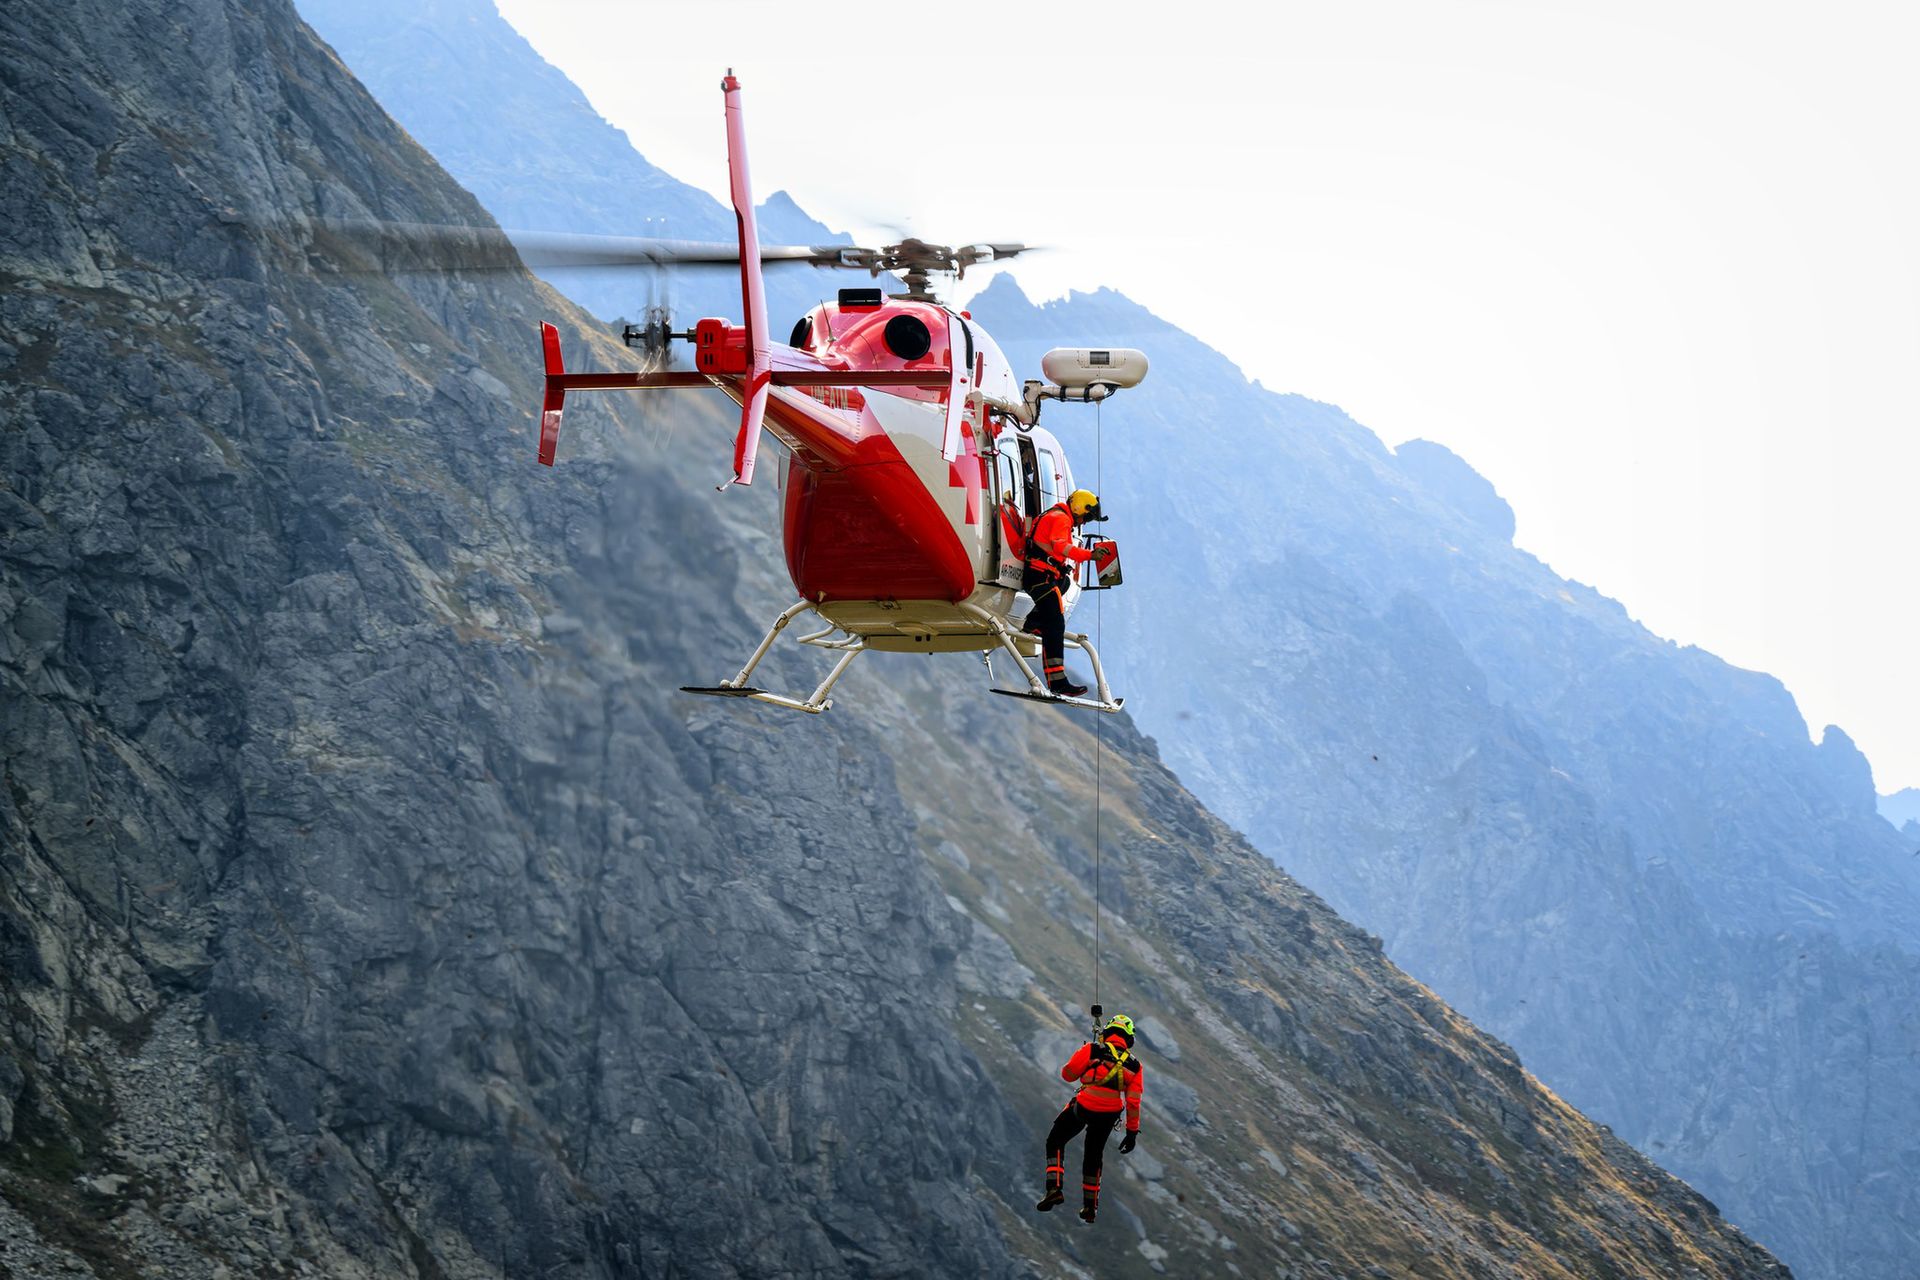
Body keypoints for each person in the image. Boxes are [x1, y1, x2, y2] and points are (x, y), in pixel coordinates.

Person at [1037, 1012, 1144, 1223]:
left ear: (1108, 1031)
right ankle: (1090, 1207)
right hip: (1108, 1115)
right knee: (1093, 1156)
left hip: (1085, 1107)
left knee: (1056, 1140)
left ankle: (1054, 1188)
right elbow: (1133, 1102)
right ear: (1128, 1038)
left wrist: (1083, 1058)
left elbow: (1068, 1075)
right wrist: (1131, 1133)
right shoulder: (1135, 1066)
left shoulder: (1093, 1049)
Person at [1021, 488, 1102, 698]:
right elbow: (1061, 547)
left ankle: (1033, 623)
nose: (1083, 523)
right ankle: (1058, 682)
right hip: (1040, 578)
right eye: (1086, 517)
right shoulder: (1062, 519)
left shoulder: (1055, 514)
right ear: (1079, 508)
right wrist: (1089, 555)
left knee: (1064, 583)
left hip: (1040, 575)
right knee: (1056, 623)